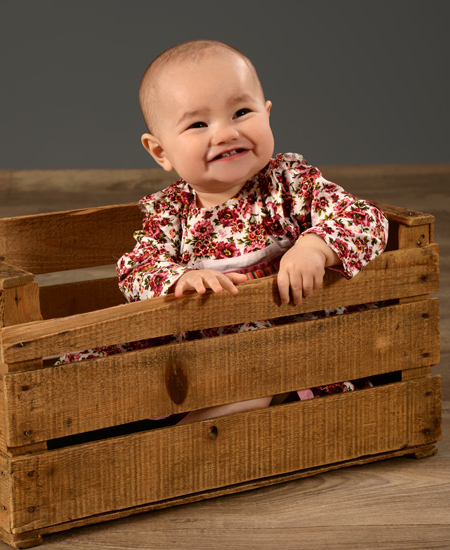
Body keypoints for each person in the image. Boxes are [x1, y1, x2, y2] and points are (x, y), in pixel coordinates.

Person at [56, 40, 389, 425]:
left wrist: (315, 247)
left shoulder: (289, 184)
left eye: (241, 112)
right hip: (196, 351)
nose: (225, 133)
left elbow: (364, 217)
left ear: (267, 115)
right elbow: (137, 268)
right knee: (105, 359)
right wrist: (180, 277)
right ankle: (91, 420)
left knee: (247, 379)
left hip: (282, 348)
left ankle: (184, 442)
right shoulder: (171, 210)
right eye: (198, 124)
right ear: (160, 152)